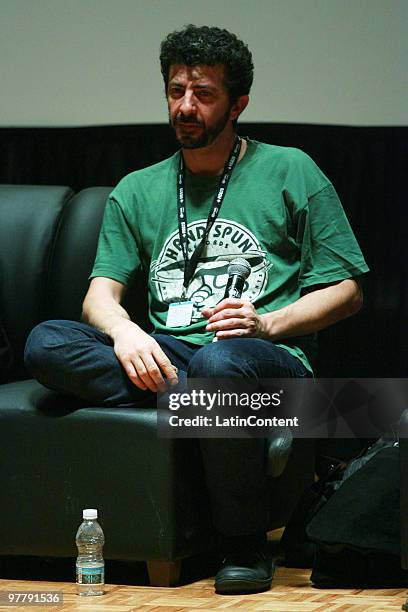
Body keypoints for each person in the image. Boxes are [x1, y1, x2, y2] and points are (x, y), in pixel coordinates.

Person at [24, 25, 369, 594]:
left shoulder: (291, 169)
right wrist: (126, 333)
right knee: (47, 343)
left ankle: (245, 543)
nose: (185, 106)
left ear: (239, 103)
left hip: (265, 356)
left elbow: (349, 290)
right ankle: (200, 396)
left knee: (222, 365)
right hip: (175, 353)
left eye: (203, 93)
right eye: (176, 90)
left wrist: (267, 322)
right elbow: (98, 296)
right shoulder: (137, 188)